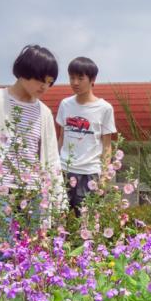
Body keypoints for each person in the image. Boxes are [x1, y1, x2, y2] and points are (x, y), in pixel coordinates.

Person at [0, 44, 66, 234]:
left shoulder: (44, 112)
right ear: (23, 73)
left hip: (35, 191)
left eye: (49, 82)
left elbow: (52, 158)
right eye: (41, 80)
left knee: (33, 250)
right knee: (4, 248)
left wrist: (58, 197)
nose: (45, 87)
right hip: (0, 188)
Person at [56, 56, 116, 215]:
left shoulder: (104, 108)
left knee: (86, 223)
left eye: (80, 78)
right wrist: (54, 165)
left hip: (89, 173)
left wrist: (103, 177)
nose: (75, 82)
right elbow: (62, 137)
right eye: (72, 77)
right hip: (64, 170)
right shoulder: (65, 104)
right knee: (56, 219)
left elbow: (107, 145)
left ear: (92, 79)